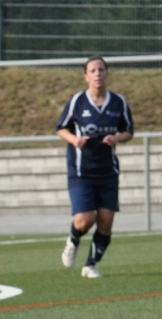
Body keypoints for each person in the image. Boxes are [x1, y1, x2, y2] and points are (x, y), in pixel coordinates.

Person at [55, 56, 134, 279]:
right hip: (82, 170)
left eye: (101, 69)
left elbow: (128, 131)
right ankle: (73, 240)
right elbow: (61, 128)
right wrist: (75, 140)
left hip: (108, 171)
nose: (97, 74)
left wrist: (117, 138)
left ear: (107, 73)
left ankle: (90, 265)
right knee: (84, 219)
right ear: (86, 76)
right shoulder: (77, 101)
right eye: (93, 70)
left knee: (106, 222)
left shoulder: (118, 102)